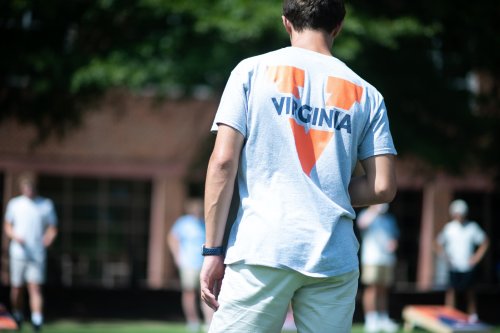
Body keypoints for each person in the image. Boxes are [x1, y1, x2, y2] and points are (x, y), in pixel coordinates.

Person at [200, 0, 397, 331]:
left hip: (262, 248)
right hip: (334, 257)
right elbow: (382, 186)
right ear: (338, 26)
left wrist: (212, 251)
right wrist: (325, 192)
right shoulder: (368, 94)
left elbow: (223, 162)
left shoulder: (251, 71)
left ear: (286, 22)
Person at [3, 173, 58, 332]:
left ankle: (37, 319)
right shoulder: (15, 204)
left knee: (35, 288)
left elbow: (52, 228)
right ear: (22, 189)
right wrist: (15, 236)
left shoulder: (45, 205)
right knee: (17, 288)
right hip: (18, 253)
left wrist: (47, 239)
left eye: (31, 188)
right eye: (26, 188)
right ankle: (18, 315)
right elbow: (8, 226)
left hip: (37, 254)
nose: (29, 191)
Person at [435, 199, 489, 323]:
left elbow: (485, 242)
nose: (459, 216)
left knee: (470, 292)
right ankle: (449, 315)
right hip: (453, 266)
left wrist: (476, 258)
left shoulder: (472, 227)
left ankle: (473, 316)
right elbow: (437, 243)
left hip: (467, 266)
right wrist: (445, 256)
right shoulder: (449, 228)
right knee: (451, 291)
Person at [168, 198, 214, 332]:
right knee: (189, 293)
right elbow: (172, 239)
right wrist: (177, 257)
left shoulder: (205, 223)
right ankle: (192, 321)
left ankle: (208, 321)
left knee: (206, 293)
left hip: (204, 264)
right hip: (188, 264)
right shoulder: (183, 223)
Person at [357, 203, 399, 333]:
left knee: (383, 289)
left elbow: (394, 237)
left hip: (387, 260)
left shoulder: (390, 219)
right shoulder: (367, 214)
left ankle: (382, 318)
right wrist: (373, 209)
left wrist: (393, 244)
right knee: (372, 288)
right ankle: (371, 319)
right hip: (372, 259)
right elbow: (362, 224)